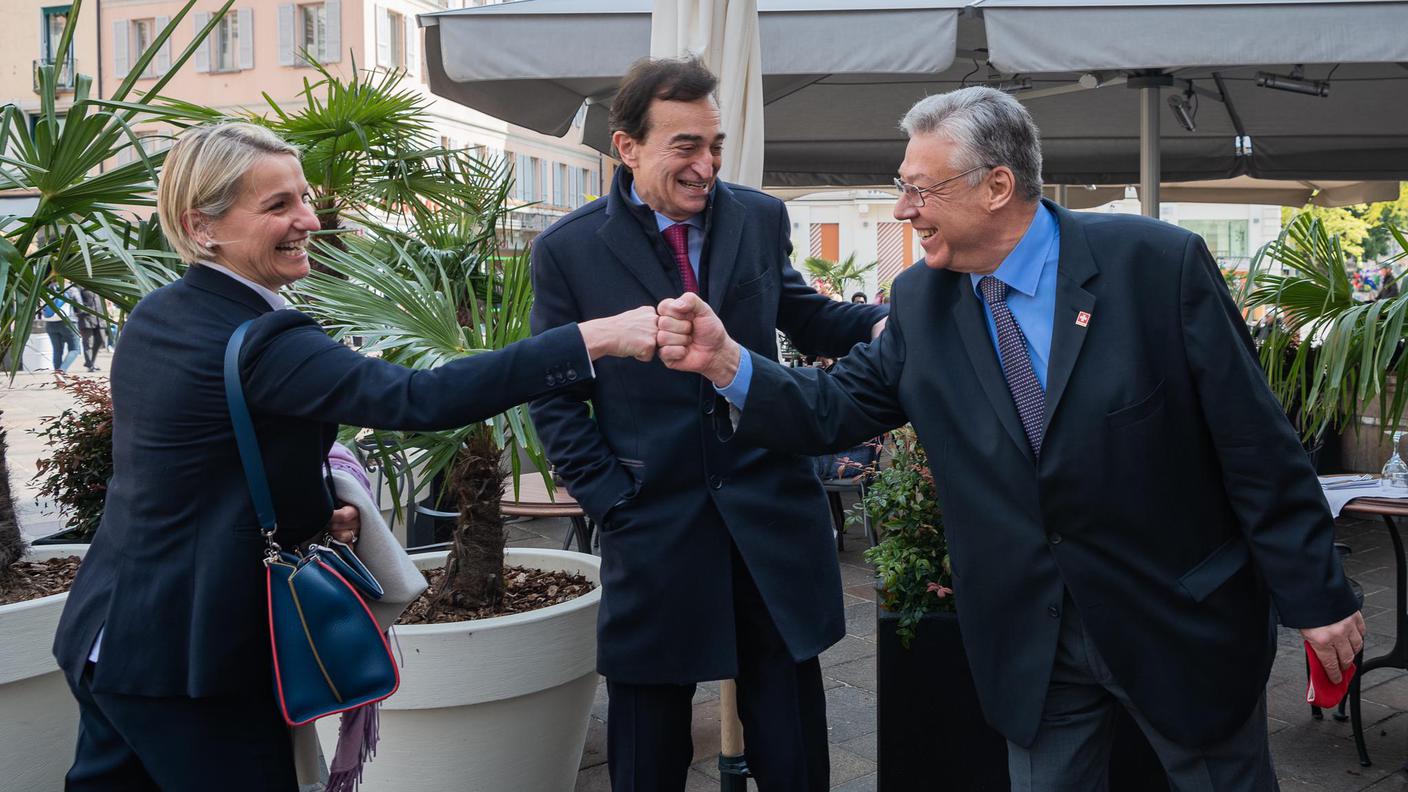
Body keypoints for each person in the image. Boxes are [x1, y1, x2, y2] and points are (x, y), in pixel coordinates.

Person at [656, 87, 1364, 791]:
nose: (904, 209)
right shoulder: (920, 301)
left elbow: (1255, 444)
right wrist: (727, 363)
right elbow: (836, 406)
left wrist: (1318, 596)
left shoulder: (1156, 265)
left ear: (997, 186)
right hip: (1031, 637)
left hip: (1173, 620)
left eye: (918, 189)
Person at [51, 122, 660, 791]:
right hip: (191, 663)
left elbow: (197, 464)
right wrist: (587, 339)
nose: (308, 219)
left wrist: (313, 511)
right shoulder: (264, 340)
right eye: (278, 205)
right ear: (203, 227)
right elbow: (422, 397)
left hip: (108, 634)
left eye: (304, 197)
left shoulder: (159, 315)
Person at [527, 58, 886, 792]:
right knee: (646, 749)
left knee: (793, 746)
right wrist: (610, 500)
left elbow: (806, 313)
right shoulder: (567, 250)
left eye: (715, 144)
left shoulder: (758, 215)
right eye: (685, 146)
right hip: (652, 521)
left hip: (770, 510)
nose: (707, 165)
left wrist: (893, 320)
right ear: (627, 147)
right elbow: (552, 390)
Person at [42, 284, 81, 371]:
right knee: (75, 349)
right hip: (68, 322)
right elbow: (79, 307)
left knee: (57, 351)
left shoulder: (45, 288)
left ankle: (58, 375)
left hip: (50, 323)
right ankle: (61, 371)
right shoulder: (71, 289)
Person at [77, 288, 105, 371]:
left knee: (100, 339)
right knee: (88, 342)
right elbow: (76, 300)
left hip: (99, 318)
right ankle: (90, 364)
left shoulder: (99, 286)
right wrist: (82, 310)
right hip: (87, 318)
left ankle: (91, 362)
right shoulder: (80, 288)